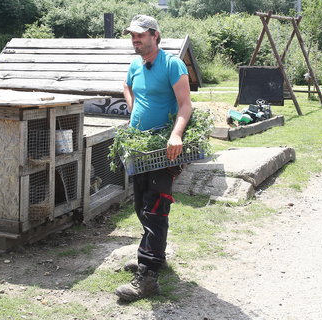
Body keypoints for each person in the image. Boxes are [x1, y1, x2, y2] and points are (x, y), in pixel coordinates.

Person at [115, 14, 193, 302]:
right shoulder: (136, 64)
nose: (135, 40)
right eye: (132, 36)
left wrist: (176, 135)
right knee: (140, 206)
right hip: (139, 149)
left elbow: (185, 104)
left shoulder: (173, 65)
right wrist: (133, 107)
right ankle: (153, 258)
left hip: (163, 148)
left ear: (155, 36)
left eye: (140, 35)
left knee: (155, 210)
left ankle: (148, 277)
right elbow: (127, 85)